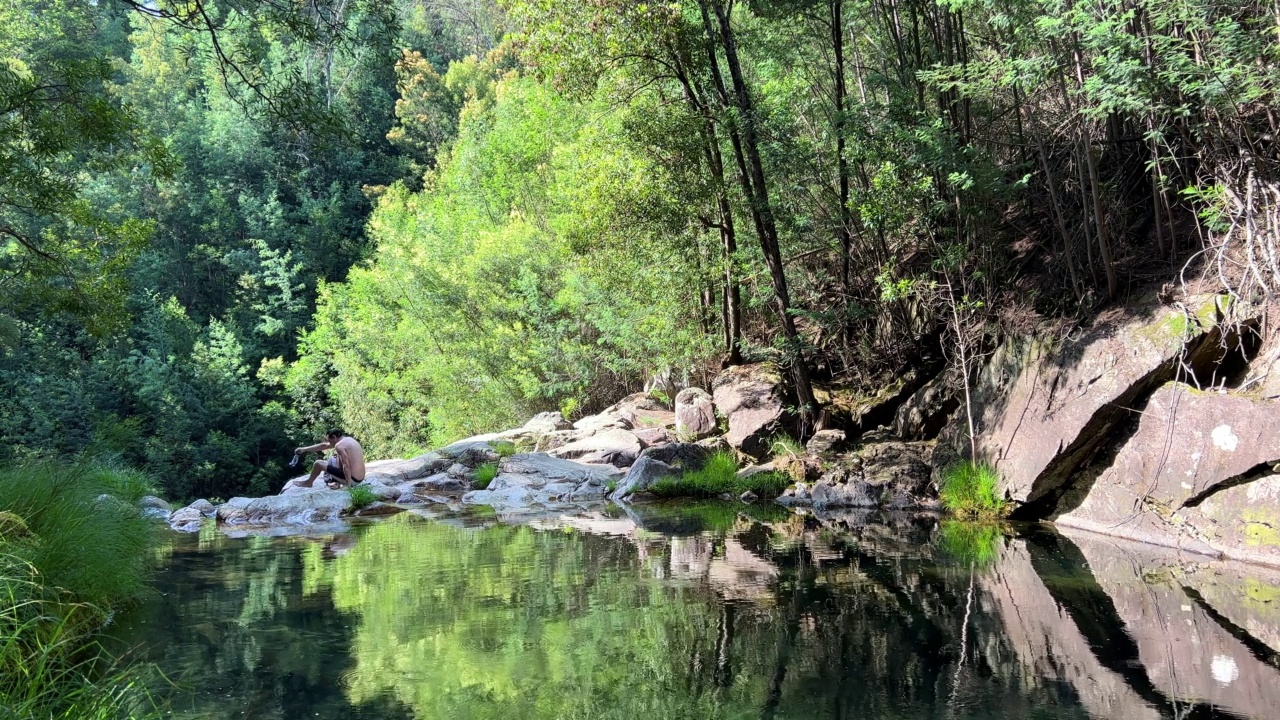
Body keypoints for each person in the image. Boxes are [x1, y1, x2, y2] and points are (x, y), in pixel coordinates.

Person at [293, 429, 366, 489]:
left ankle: (308, 483)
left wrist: (348, 485)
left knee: (318, 463)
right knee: (333, 458)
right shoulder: (349, 440)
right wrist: (304, 449)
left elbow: (346, 465)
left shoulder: (339, 446)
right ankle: (337, 483)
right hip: (360, 478)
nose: (329, 443)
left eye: (329, 440)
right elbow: (324, 446)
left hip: (352, 480)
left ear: (334, 437)